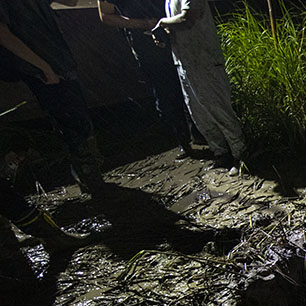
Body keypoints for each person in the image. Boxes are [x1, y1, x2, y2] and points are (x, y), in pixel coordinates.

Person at [0, 0, 104, 193]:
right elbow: (3, 34)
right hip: (40, 68)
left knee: (79, 118)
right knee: (70, 122)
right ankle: (89, 178)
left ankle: (91, 174)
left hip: (59, 60)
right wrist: (43, 67)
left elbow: (71, 2)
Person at [153, 0, 246, 176]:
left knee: (217, 108)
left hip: (204, 59)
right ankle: (221, 152)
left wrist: (163, 23)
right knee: (198, 112)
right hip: (184, 60)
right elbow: (176, 23)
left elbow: (188, 18)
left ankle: (240, 154)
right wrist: (164, 34)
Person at [96, 0, 196, 159]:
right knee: (165, 92)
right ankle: (183, 138)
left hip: (176, 29)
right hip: (145, 40)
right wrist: (142, 24)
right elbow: (106, 15)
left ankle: (201, 131)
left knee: (190, 81)